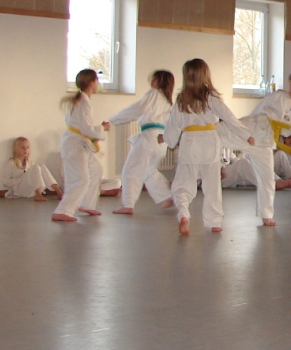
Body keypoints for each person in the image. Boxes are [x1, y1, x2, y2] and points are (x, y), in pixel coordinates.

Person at [164, 58, 253, 235]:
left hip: (189, 142)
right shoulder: (211, 97)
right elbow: (229, 117)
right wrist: (246, 135)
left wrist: (168, 139)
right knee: (212, 185)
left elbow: (172, 125)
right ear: (206, 75)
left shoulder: (181, 99)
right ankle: (215, 222)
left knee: (183, 184)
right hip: (209, 142)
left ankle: (183, 214)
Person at [219, 70, 291, 226]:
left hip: (266, 141)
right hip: (254, 127)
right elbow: (260, 108)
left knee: (267, 179)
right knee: (218, 132)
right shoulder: (280, 96)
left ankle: (266, 214)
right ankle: (192, 136)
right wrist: (246, 127)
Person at [109, 70, 175, 214]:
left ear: (160, 82)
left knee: (131, 170)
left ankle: (128, 204)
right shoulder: (168, 101)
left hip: (149, 137)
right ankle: (166, 196)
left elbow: (138, 108)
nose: (151, 82)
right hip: (161, 140)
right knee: (148, 171)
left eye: (154, 79)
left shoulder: (154, 93)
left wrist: (114, 119)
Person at [52, 69, 109, 223]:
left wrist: (98, 129)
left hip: (78, 143)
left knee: (96, 169)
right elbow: (85, 129)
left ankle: (87, 204)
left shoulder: (80, 100)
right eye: (97, 80)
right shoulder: (83, 102)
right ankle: (62, 211)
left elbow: (82, 127)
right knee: (80, 179)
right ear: (91, 83)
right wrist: (102, 128)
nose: (98, 83)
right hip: (75, 145)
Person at [1, 137, 63, 202]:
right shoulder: (11, 163)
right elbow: (5, 182)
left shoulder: (29, 162)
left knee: (42, 166)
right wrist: (20, 179)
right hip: (20, 190)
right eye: (22, 148)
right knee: (36, 167)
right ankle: (38, 194)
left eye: (27, 147)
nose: (25, 150)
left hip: (30, 189)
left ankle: (58, 191)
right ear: (16, 149)